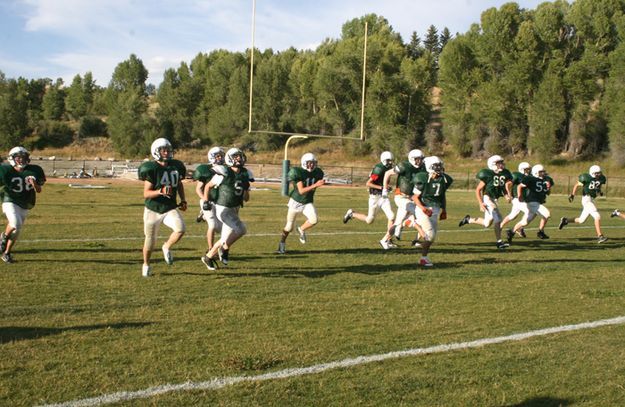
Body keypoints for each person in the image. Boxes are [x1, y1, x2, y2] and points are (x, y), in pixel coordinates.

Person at [138, 138, 187, 277]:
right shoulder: (151, 168)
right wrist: (160, 191)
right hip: (153, 209)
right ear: (156, 151)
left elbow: (179, 183)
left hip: (169, 207)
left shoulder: (176, 165)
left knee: (181, 229)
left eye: (168, 149)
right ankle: (146, 264)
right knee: (150, 240)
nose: (166, 152)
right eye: (163, 150)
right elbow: (146, 193)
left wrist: (183, 199)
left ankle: (166, 246)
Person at [201, 148, 253, 269]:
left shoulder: (245, 174)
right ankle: (224, 249)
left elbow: (246, 198)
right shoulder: (224, 172)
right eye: (236, 156)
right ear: (229, 158)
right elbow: (208, 186)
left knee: (225, 238)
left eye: (240, 156)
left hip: (235, 208)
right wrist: (205, 200)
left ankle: (208, 257)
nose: (239, 158)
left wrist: (245, 190)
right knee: (241, 229)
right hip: (223, 208)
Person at [0, 147, 46, 264]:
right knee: (16, 223)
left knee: (17, 230)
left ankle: (7, 253)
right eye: (18, 157)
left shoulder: (34, 170)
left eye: (24, 157)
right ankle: (4, 237)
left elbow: (39, 190)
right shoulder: (5, 170)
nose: (21, 160)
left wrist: (34, 183)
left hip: (25, 202)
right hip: (9, 199)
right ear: (12, 158)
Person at [458, 155, 513, 249]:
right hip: (487, 198)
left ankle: (469, 219)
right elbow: (478, 190)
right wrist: (480, 203)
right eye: (498, 163)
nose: (501, 164)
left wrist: (506, 195)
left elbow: (502, 188)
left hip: (494, 199)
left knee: (487, 223)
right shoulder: (488, 174)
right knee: (498, 219)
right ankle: (499, 242)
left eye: (501, 162)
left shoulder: (503, 174)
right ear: (493, 164)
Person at [277, 152, 325, 254]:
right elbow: (301, 191)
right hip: (295, 202)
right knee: (289, 227)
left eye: (313, 163)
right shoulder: (297, 172)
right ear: (304, 163)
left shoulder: (318, 172)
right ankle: (282, 243)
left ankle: (301, 229)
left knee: (314, 219)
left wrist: (317, 183)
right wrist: (316, 185)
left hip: (307, 202)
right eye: (309, 163)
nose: (311, 165)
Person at [410, 156, 453, 267]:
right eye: (436, 166)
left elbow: (442, 195)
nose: (439, 168)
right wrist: (423, 208)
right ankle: (423, 258)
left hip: (435, 209)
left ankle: (423, 253)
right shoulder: (422, 178)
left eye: (439, 165)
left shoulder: (444, 179)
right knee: (430, 234)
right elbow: (414, 197)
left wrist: (444, 209)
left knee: (431, 237)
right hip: (423, 208)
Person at [342, 151, 395, 238]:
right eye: (389, 160)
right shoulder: (379, 169)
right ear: (384, 160)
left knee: (392, 216)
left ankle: (387, 240)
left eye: (391, 160)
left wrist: (386, 188)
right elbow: (368, 183)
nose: (390, 162)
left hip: (384, 197)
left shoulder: (387, 168)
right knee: (369, 220)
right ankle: (352, 214)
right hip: (375, 197)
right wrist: (382, 188)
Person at [380, 149, 426, 249]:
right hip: (401, 197)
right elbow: (387, 173)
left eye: (421, 159)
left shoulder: (422, 167)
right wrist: (384, 188)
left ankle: (384, 240)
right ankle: (421, 238)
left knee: (397, 223)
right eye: (417, 159)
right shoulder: (404, 166)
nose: (420, 161)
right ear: (412, 159)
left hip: (412, 197)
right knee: (420, 213)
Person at [558, 165, 608, 243]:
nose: (599, 174)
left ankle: (565, 220)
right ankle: (600, 236)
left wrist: (599, 191)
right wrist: (572, 195)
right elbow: (576, 185)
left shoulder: (602, 178)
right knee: (597, 216)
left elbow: (598, 185)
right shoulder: (586, 177)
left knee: (581, 220)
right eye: (596, 173)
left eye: (599, 173)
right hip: (586, 199)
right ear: (592, 173)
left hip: (592, 199)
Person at [507, 164, 554, 244]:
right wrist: (519, 196)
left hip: (537, 202)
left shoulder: (546, 180)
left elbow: (548, 193)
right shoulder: (530, 179)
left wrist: (548, 187)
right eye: (541, 172)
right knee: (547, 214)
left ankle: (511, 232)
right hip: (532, 202)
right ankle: (540, 232)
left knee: (525, 222)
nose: (543, 173)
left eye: (543, 171)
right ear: (536, 172)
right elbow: (519, 186)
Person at [193, 146, 224, 255]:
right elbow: (198, 189)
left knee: (221, 228)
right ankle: (211, 249)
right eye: (218, 156)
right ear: (211, 157)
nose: (220, 158)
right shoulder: (205, 170)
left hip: (220, 202)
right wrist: (205, 200)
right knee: (213, 225)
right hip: (208, 201)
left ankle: (221, 248)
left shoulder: (226, 169)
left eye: (221, 155)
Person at [500, 162, 531, 238]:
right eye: (526, 170)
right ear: (522, 169)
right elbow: (507, 184)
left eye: (528, 169)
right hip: (517, 198)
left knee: (513, 215)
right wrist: (509, 195)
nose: (528, 171)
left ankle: (500, 226)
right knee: (529, 211)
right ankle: (519, 228)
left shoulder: (529, 176)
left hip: (523, 199)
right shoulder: (517, 175)